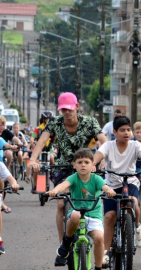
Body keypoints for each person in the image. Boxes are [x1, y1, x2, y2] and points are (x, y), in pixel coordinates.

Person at [28, 92, 107, 255]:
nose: (67, 113)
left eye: (70, 109)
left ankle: (92, 231)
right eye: (63, 109)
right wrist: (33, 160)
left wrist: (103, 159)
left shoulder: (90, 122)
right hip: (62, 167)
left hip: (86, 166)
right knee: (61, 203)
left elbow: (104, 141)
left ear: (77, 107)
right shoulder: (55, 122)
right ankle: (63, 244)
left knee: (89, 200)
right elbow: (42, 141)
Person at [94, 116, 141, 259]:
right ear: (114, 132)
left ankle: (137, 227)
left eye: (128, 130)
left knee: (132, 202)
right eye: (122, 130)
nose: (126, 133)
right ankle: (105, 252)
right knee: (109, 217)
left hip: (130, 182)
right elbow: (97, 156)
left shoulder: (135, 145)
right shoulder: (108, 146)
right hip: (112, 185)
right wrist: (92, 165)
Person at [47, 148, 116, 270]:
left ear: (92, 165)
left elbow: (104, 186)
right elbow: (63, 185)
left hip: (94, 215)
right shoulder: (73, 178)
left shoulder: (96, 179)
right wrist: (55, 191)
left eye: (86, 162)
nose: (83, 165)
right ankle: (66, 243)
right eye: (79, 162)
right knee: (75, 215)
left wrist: (109, 191)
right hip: (77, 213)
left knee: (99, 239)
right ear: (74, 165)